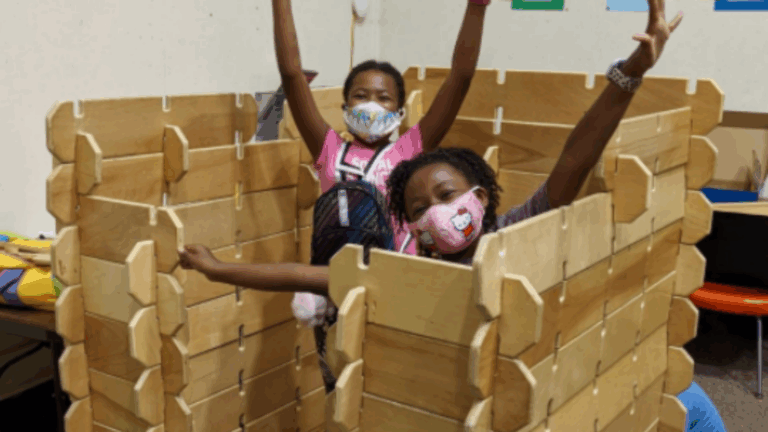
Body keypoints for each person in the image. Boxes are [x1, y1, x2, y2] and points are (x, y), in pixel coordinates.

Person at [180, 0, 681, 390]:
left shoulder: (491, 223)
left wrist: (629, 71)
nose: (438, 212)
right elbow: (303, 273)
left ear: (480, 196)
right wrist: (217, 268)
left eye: (447, 195)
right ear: (410, 222)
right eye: (419, 208)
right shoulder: (404, 264)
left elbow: (572, 160)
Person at [273, 0, 491, 329]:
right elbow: (291, 75)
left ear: (399, 112)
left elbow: (459, 79)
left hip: (398, 283)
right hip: (339, 288)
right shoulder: (329, 149)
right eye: (361, 95)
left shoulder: (411, 150)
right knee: (341, 374)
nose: (372, 104)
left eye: (384, 97)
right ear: (345, 105)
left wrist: (477, 8)